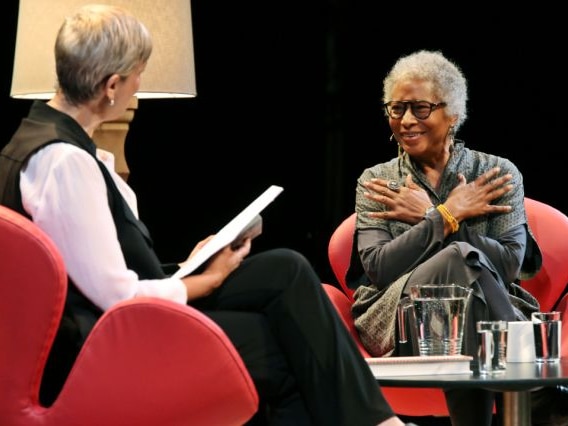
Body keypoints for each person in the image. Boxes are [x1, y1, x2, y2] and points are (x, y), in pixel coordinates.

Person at [0, 4, 418, 426]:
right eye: (136, 76)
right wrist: (206, 280)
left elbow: (95, 267)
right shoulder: (64, 162)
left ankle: (380, 423)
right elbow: (116, 297)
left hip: (122, 317)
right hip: (109, 341)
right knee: (285, 349)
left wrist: (187, 266)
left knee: (285, 269)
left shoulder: (42, 141)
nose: (139, 86)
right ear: (111, 85)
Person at [346, 50, 543, 426]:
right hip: (398, 318)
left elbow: (508, 266)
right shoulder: (377, 181)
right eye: (396, 108)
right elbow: (378, 269)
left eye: (420, 108)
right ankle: (537, 389)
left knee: (464, 284)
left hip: (484, 312)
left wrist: (428, 217)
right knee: (457, 258)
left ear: (452, 114)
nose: (405, 120)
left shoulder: (496, 173)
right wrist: (446, 215)